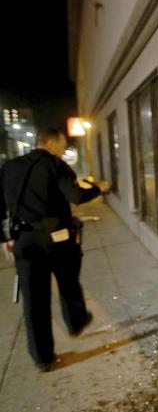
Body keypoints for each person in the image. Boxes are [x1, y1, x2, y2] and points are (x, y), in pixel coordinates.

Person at [0, 128, 110, 371]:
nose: (63, 150)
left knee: (33, 300)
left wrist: (4, 238)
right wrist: (99, 188)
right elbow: (76, 196)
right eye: (61, 145)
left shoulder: (9, 167)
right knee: (68, 280)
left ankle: (43, 358)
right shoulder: (55, 165)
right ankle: (76, 321)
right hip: (57, 238)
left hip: (24, 240)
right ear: (50, 142)